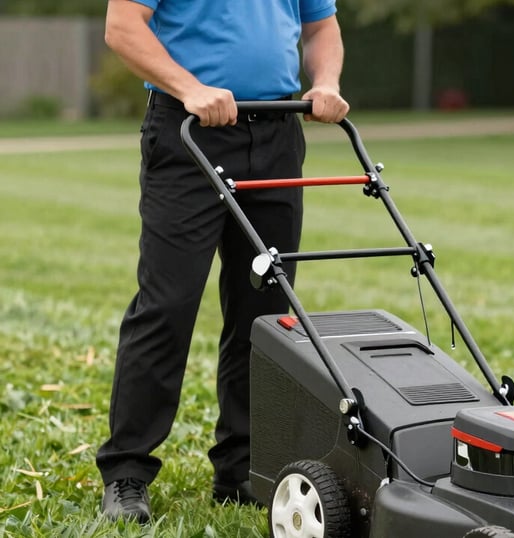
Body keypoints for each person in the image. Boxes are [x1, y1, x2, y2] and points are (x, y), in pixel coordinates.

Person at [96, 0, 349, 523]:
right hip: (189, 130)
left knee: (266, 313)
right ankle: (127, 474)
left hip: (278, 131)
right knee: (168, 304)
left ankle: (243, 469)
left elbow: (321, 26)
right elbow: (122, 27)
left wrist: (326, 81)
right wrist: (189, 87)